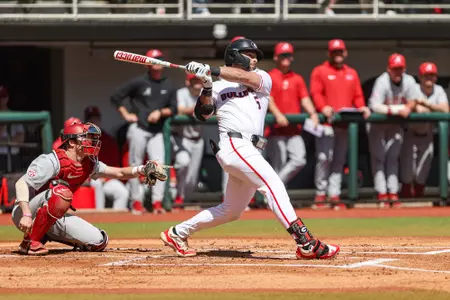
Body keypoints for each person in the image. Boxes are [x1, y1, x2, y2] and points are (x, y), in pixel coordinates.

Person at [160, 38, 340, 260]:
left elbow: (243, 77)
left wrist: (212, 69)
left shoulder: (262, 78)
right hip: (234, 145)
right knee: (272, 184)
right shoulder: (216, 86)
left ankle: (177, 233)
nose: (254, 59)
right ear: (235, 55)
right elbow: (202, 114)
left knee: (232, 210)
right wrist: (207, 84)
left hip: (251, 148)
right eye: (250, 54)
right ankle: (305, 242)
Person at [12, 122, 167, 255]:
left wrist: (142, 169)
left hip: (54, 214)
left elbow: (118, 172)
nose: (91, 142)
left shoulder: (89, 162)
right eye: (86, 138)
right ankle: (31, 242)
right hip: (26, 212)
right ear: (72, 142)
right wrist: (26, 213)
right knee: (61, 192)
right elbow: (21, 183)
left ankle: (46, 233)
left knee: (98, 241)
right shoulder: (52, 160)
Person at [111, 49, 177, 215]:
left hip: (157, 131)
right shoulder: (139, 82)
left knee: (159, 165)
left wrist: (161, 113)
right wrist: (126, 114)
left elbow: (174, 108)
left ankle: (157, 202)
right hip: (139, 128)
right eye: (154, 60)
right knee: (135, 165)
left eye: (160, 60)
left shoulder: (169, 84)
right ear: (147, 63)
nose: (157, 63)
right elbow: (116, 97)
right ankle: (136, 202)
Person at [310, 39, 370, 209]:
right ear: (329, 54)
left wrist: (362, 107)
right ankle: (320, 193)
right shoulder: (320, 71)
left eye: (340, 51)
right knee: (324, 158)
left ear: (345, 53)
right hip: (326, 124)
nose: (337, 54)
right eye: (334, 52)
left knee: (338, 161)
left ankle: (333, 194)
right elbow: (316, 93)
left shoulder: (351, 73)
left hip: (344, 125)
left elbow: (357, 96)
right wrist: (323, 107)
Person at [367, 53, 419, 207]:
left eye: (400, 69)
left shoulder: (408, 80)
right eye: (395, 69)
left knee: (393, 158)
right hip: (378, 125)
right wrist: (397, 110)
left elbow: (413, 101)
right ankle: (382, 193)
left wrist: (408, 108)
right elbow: (374, 105)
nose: (398, 72)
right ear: (389, 69)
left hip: (395, 125)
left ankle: (393, 192)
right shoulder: (382, 81)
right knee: (379, 158)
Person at [267, 42, 319, 186]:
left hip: (294, 130)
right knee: (278, 164)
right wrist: (277, 114)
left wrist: (313, 113)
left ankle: (273, 188)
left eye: (289, 55)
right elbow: (268, 99)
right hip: (275, 130)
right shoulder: (270, 76)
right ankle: (274, 198)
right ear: (276, 57)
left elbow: (305, 99)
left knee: (299, 159)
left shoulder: (297, 78)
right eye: (283, 55)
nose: (286, 58)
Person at [400, 62, 449, 198]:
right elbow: (412, 107)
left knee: (423, 172)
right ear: (420, 77)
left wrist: (426, 104)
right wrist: (429, 108)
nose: (429, 78)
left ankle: (419, 203)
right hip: (410, 133)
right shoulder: (413, 88)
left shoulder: (438, 90)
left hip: (427, 134)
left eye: (432, 75)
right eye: (426, 75)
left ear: (436, 78)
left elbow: (446, 109)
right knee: (407, 172)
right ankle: (403, 202)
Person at [83, 106, 130, 211]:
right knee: (97, 183)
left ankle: (116, 221)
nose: (94, 122)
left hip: (107, 177)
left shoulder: (108, 139)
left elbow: (115, 164)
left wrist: (106, 177)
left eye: (96, 119)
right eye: (91, 119)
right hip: (90, 178)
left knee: (123, 192)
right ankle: (99, 216)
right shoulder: (81, 139)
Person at [171, 74, 205, 210]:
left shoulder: (206, 93)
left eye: (199, 80)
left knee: (192, 178)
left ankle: (183, 198)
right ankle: (178, 196)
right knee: (183, 163)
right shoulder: (182, 93)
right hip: (182, 137)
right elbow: (180, 110)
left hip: (198, 139)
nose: (197, 83)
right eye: (194, 80)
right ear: (188, 82)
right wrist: (198, 108)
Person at [0, 85, 25, 172]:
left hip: (13, 156)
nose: (1, 100)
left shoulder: (15, 115)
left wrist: (3, 141)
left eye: (3, 96)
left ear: (7, 98)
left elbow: (20, 139)